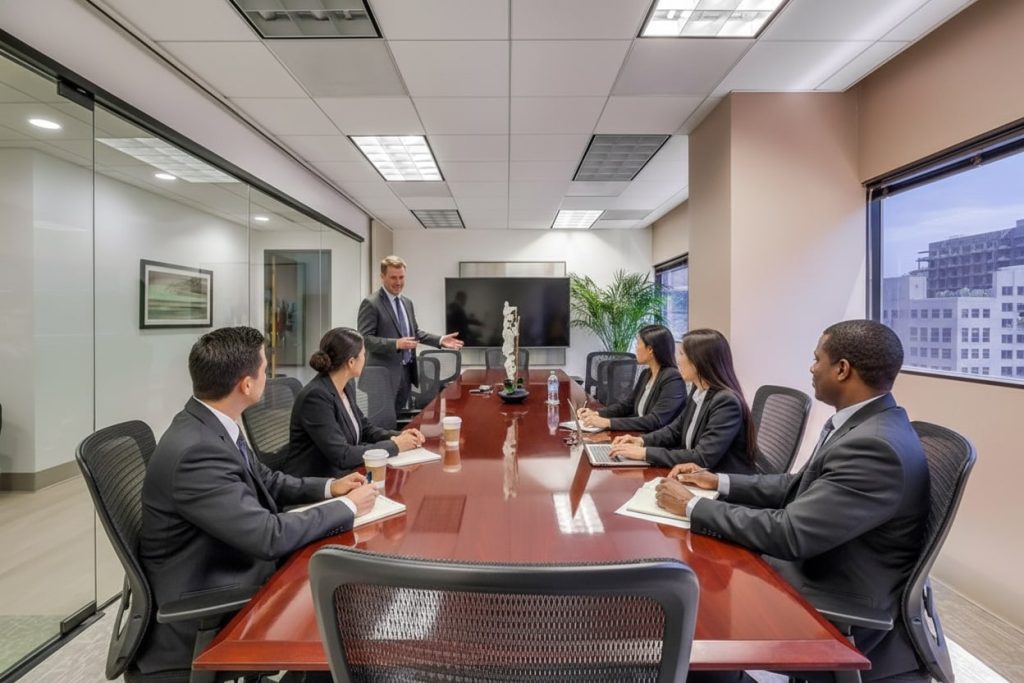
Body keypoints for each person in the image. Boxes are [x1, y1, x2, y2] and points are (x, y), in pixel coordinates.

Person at [659, 320, 930, 682]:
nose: (811, 367)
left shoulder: (874, 446)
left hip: (834, 594)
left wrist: (692, 506)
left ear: (842, 369)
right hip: (823, 561)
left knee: (697, 619)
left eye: (817, 359)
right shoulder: (863, 424)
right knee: (698, 575)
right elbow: (796, 485)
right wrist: (719, 481)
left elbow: (790, 533)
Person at [137, 327, 378, 675]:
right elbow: (268, 536)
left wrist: (330, 488)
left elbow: (266, 480)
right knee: (341, 614)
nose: (269, 375)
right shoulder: (196, 451)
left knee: (342, 587)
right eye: (265, 369)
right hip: (211, 602)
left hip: (229, 560)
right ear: (246, 385)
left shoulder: (211, 424)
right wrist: (350, 507)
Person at [608, 328, 757, 475]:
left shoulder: (725, 402)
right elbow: (676, 430)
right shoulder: (698, 390)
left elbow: (702, 458)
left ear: (699, 361)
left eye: (682, 354)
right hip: (696, 475)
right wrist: (641, 441)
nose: (678, 360)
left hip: (719, 483)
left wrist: (645, 453)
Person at [284, 327, 425, 479]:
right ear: (351, 362)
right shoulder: (316, 397)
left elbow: (365, 428)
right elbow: (342, 455)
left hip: (344, 475)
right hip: (317, 482)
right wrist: (395, 446)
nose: (365, 358)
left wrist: (399, 436)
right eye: (364, 355)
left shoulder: (346, 386)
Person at [358, 255, 464, 413]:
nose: (398, 282)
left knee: (399, 423)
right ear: (382, 277)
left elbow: (414, 333)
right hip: (381, 378)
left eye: (401, 277)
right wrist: (395, 344)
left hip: (406, 374)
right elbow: (364, 339)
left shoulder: (407, 302)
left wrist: (440, 340)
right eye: (393, 277)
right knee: (381, 424)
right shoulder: (371, 303)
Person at [576, 324, 685, 432]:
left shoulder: (672, 379)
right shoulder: (646, 374)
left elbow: (655, 421)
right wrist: (597, 413)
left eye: (638, 344)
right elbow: (627, 406)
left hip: (654, 442)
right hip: (637, 434)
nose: (635, 348)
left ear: (650, 349)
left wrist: (607, 422)